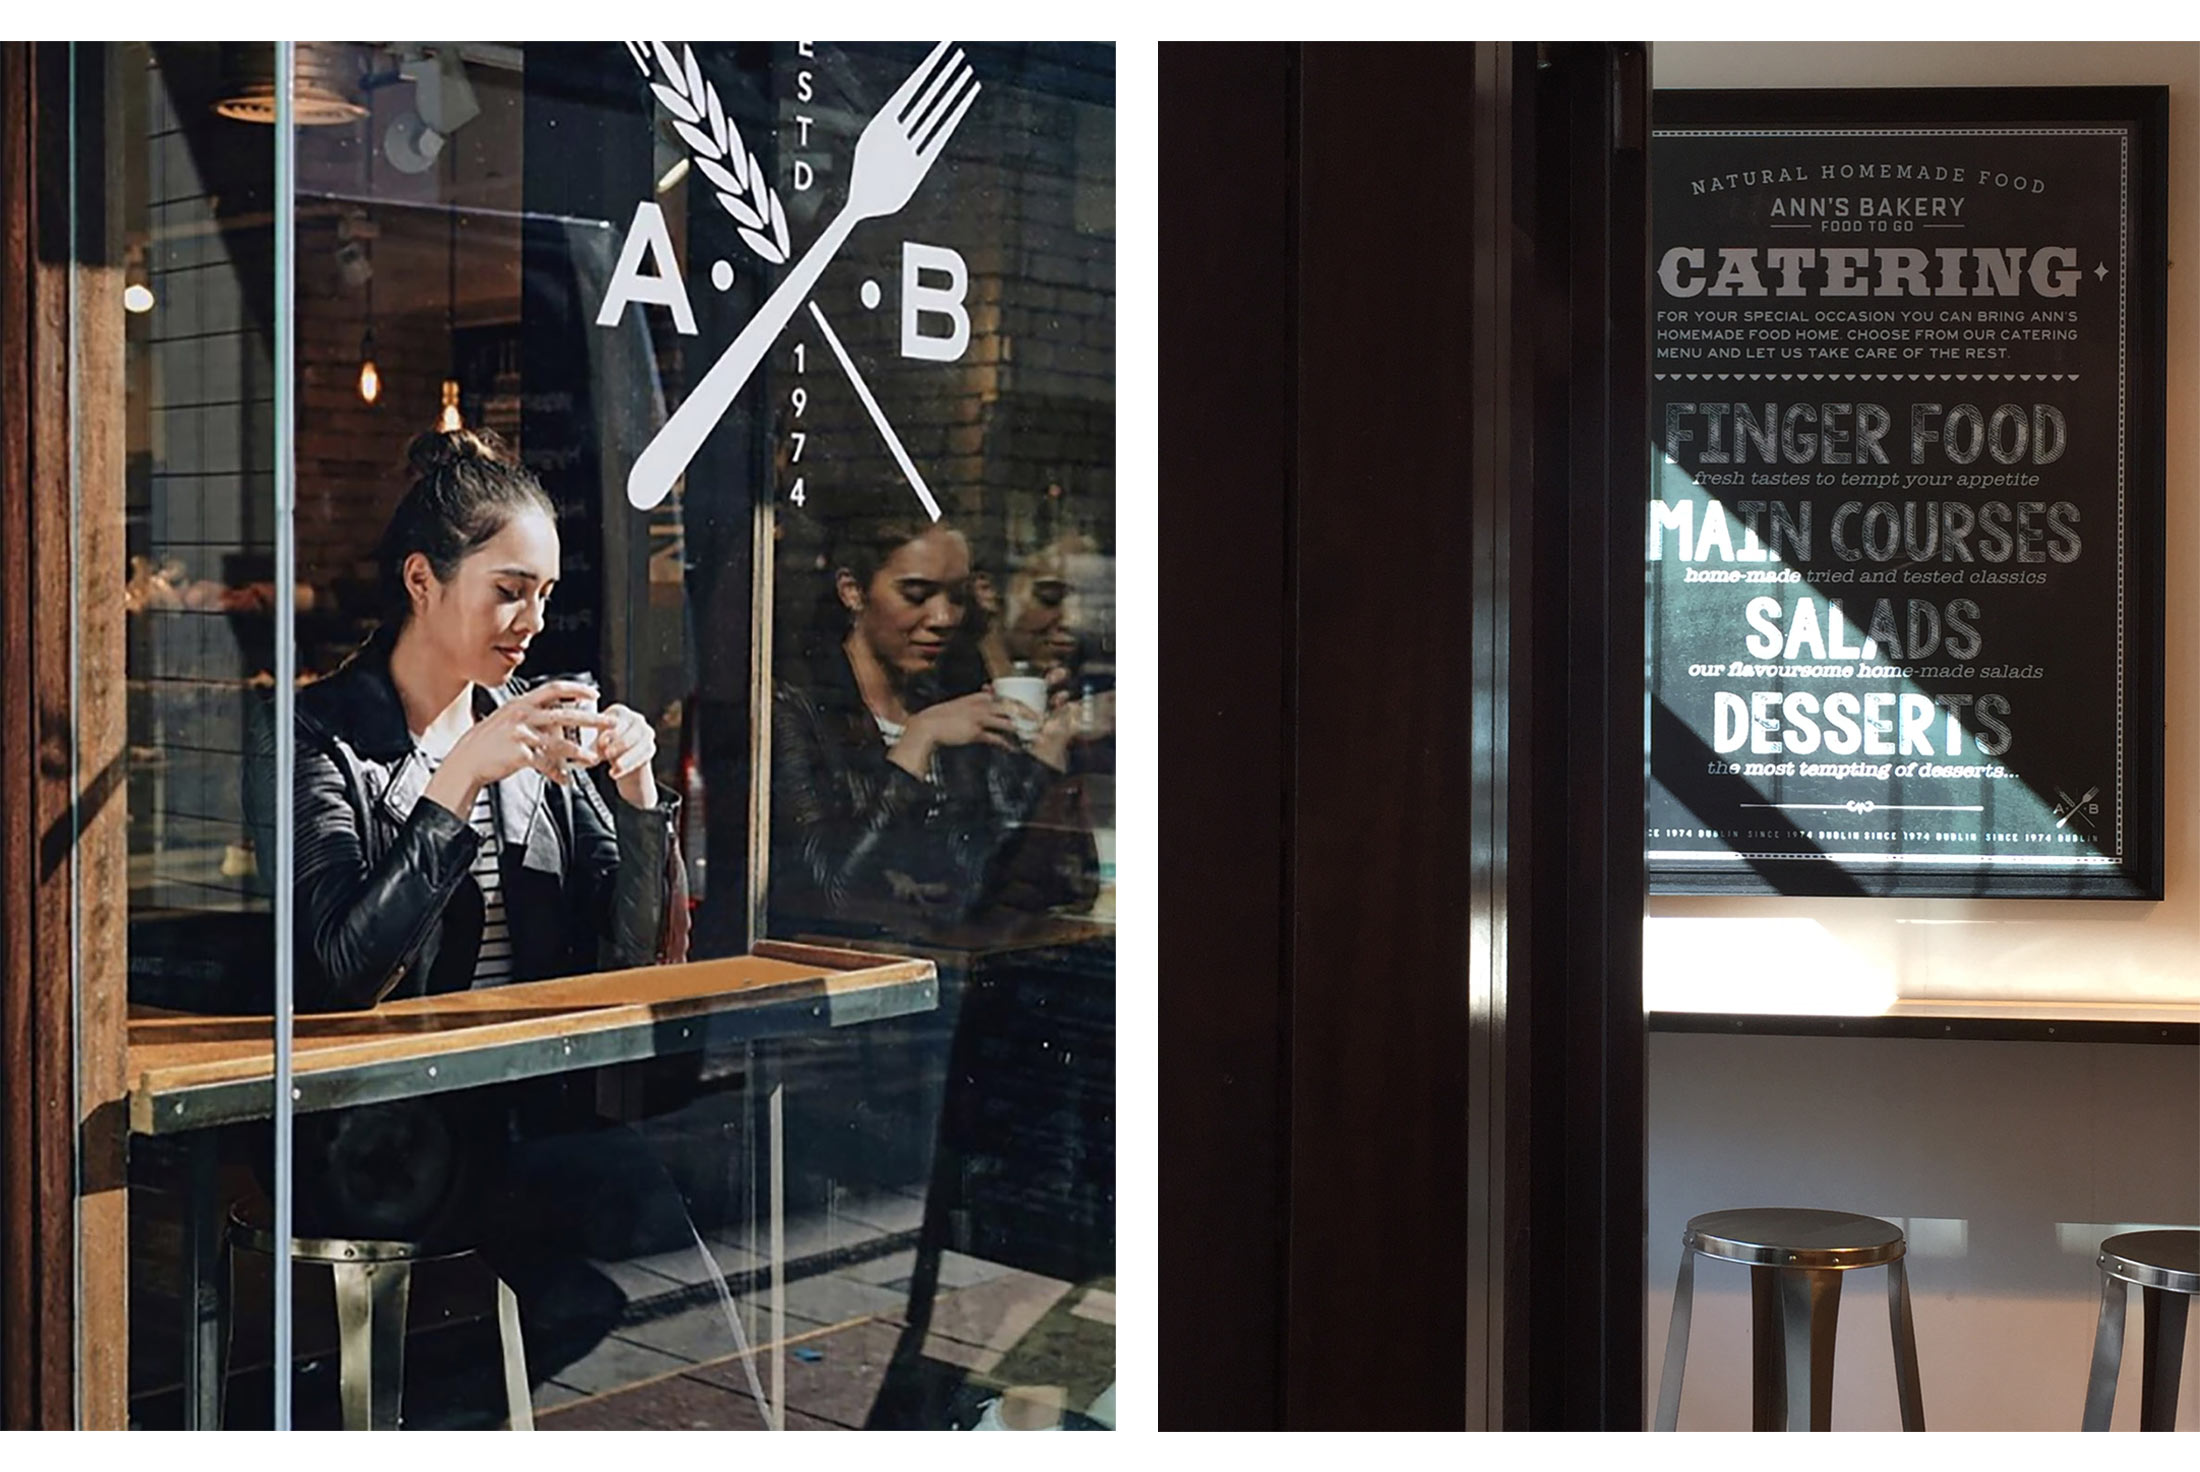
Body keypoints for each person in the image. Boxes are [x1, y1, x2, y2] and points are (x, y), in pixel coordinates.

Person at [265, 426, 682, 1013]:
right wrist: (457, 780)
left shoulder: (536, 729)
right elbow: (341, 974)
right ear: (420, 580)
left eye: (546, 595)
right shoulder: (314, 736)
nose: (533, 620)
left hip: (532, 1092)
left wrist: (638, 795)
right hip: (396, 1096)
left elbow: (635, 956)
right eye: (511, 591)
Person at [770, 507, 1097, 939]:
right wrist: (916, 743)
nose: (944, 618)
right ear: (853, 591)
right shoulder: (797, 711)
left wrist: (1048, 745)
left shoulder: (950, 704)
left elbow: (998, 879)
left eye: (957, 597)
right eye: (917, 594)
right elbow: (834, 896)